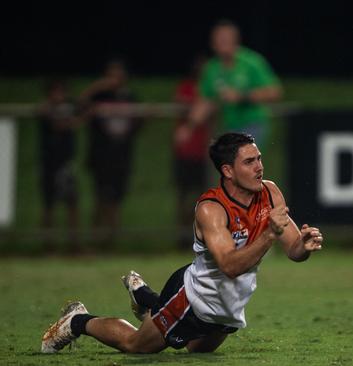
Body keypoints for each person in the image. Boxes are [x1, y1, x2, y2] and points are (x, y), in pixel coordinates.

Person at [41, 132, 324, 354]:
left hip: (230, 306)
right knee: (137, 345)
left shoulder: (270, 192)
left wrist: (304, 246)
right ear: (227, 170)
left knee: (195, 349)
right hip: (194, 298)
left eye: (259, 158)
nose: (259, 167)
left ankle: (148, 301)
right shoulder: (211, 209)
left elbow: (293, 250)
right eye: (249, 162)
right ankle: (78, 321)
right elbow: (228, 265)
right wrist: (269, 235)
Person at [176, 19, 282, 150]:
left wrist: (243, 96)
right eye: (219, 39)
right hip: (229, 126)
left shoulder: (251, 62)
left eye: (226, 39)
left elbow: (274, 91)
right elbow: (205, 101)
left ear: (235, 40)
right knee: (228, 166)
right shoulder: (212, 68)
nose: (222, 42)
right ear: (212, 43)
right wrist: (189, 127)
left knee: (240, 162)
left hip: (253, 123)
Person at [80, 60, 143, 246]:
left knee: (115, 201)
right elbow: (80, 104)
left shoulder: (128, 96)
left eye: (118, 74)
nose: (115, 79)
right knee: (100, 199)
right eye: (111, 75)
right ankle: (94, 240)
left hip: (121, 157)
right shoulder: (99, 96)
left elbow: (136, 123)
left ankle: (110, 242)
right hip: (101, 156)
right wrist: (98, 86)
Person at [37, 80, 82, 250]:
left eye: (62, 92)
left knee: (72, 204)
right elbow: (58, 124)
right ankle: (48, 245)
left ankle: (74, 245)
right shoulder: (46, 109)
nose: (60, 96)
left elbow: (85, 103)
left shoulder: (69, 107)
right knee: (49, 205)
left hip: (66, 164)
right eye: (56, 92)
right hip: (50, 164)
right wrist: (77, 120)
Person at [172, 55, 211, 249]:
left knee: (202, 198)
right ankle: (182, 236)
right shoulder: (187, 87)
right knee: (184, 196)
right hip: (185, 152)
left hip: (204, 153)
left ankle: (199, 238)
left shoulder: (210, 90)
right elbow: (180, 107)